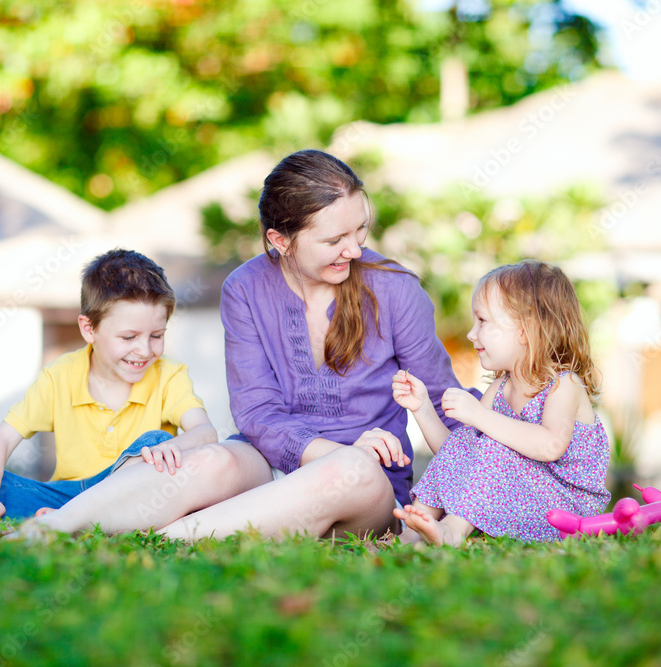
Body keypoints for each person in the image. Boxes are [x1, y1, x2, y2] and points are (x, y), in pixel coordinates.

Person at [153, 149, 476, 540]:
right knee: (215, 458)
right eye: (334, 239)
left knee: (351, 470)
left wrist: (502, 459)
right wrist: (334, 450)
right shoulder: (244, 288)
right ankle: (60, 522)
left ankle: (173, 536)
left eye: (360, 229)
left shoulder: (396, 288)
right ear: (280, 240)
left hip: (363, 487)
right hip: (270, 467)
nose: (355, 250)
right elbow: (256, 411)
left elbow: (447, 402)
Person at [0, 249, 221, 522]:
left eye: (156, 335)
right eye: (129, 337)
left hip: (129, 492)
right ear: (88, 329)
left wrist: (173, 446)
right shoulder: (59, 376)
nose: (145, 350)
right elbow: (1, 440)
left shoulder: (168, 375)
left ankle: (66, 522)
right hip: (64, 498)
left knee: (153, 442)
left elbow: (205, 432)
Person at [392, 260, 611, 546]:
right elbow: (461, 454)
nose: (471, 333)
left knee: (494, 442)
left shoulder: (563, 385)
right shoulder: (500, 388)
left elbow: (550, 446)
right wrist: (421, 408)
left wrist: (480, 417)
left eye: (482, 321)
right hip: (521, 499)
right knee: (468, 441)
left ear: (526, 330)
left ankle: (452, 531)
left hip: (566, 506)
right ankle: (413, 531)